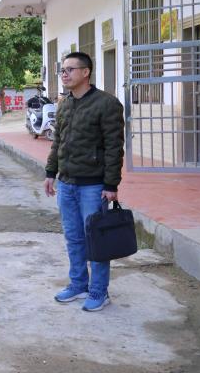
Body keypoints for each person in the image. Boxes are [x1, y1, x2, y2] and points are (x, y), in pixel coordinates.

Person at [44, 51, 124, 312]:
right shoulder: (65, 104)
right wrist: (50, 172)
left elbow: (114, 147)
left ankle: (99, 291)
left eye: (70, 69)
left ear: (86, 72)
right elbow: (58, 141)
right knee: (73, 238)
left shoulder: (107, 104)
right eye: (62, 70)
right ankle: (78, 284)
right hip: (66, 183)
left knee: (96, 240)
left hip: (93, 185)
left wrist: (111, 185)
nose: (64, 74)